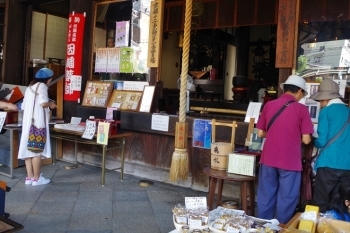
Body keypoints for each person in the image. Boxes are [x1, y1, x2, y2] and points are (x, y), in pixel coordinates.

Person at [256, 75, 314, 224]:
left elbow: (261, 133)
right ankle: (283, 227)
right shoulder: (302, 109)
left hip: (268, 158)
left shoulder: (269, 105)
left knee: (265, 194)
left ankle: (263, 226)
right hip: (290, 161)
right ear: (299, 91)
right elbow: (307, 139)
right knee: (287, 197)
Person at [309, 79, 350, 213]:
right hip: (347, 166)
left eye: (320, 100)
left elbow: (322, 141)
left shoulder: (326, 112)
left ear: (325, 98)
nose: (320, 103)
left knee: (320, 204)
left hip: (328, 164)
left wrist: (312, 140)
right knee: (339, 205)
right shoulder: (348, 111)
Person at [18, 68, 57, 186]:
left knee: (27, 150)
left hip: (27, 122)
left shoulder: (29, 87)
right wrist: (52, 104)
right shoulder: (42, 86)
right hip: (38, 122)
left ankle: (29, 177)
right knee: (36, 151)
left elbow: (23, 106)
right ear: (48, 79)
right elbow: (43, 103)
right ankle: (37, 178)